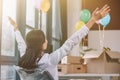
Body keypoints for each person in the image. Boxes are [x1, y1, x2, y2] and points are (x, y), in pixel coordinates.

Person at [8, 4, 110, 80]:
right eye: (45, 39)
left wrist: (16, 28)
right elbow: (71, 42)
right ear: (41, 44)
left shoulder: (24, 57)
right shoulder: (49, 60)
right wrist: (92, 20)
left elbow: (21, 44)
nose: (47, 40)